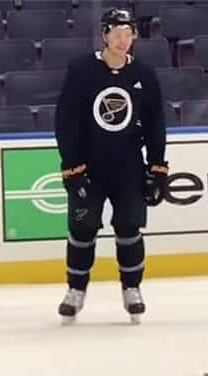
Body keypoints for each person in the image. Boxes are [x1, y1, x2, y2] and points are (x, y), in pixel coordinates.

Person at [54, 8, 169, 325]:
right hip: (89, 169)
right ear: (104, 34)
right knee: (82, 228)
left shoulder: (144, 74)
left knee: (129, 228)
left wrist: (157, 167)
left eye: (128, 33)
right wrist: (72, 166)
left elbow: (156, 122)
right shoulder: (81, 70)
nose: (123, 39)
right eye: (116, 32)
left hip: (129, 169)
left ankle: (131, 288)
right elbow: (66, 121)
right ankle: (75, 291)